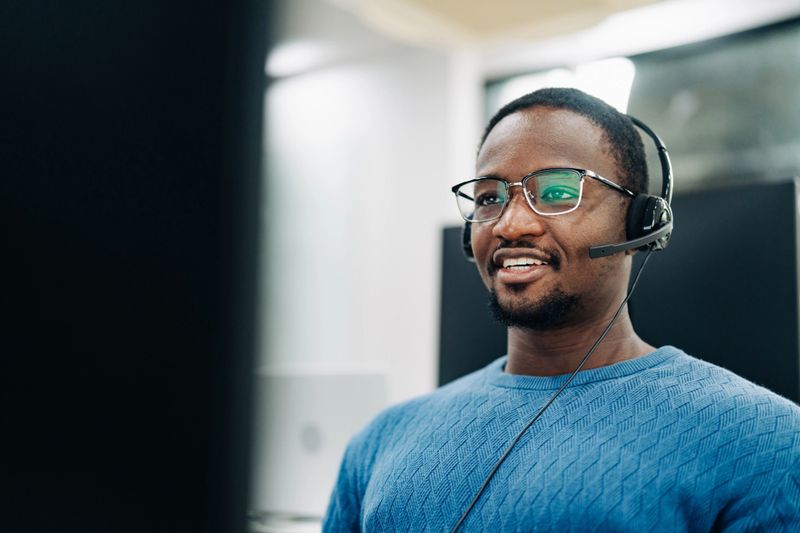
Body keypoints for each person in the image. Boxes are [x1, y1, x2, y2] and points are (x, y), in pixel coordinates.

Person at [323, 88, 800, 532]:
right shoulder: (380, 441)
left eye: (555, 192)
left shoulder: (765, 439)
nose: (511, 224)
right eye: (490, 198)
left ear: (639, 222)